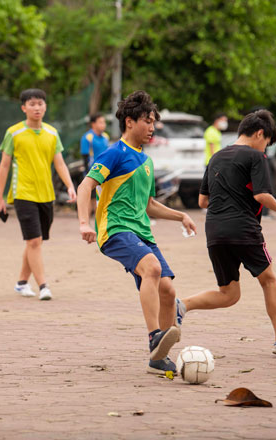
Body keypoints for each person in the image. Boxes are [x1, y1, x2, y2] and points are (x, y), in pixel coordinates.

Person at [77, 90, 198, 375]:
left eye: (154, 122)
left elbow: (149, 205)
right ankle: (154, 335)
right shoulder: (114, 153)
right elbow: (85, 186)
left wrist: (179, 215)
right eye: (147, 121)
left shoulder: (146, 161)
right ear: (130, 122)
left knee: (168, 291)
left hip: (142, 232)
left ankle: (159, 357)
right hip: (115, 229)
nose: (152, 127)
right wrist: (84, 223)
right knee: (152, 269)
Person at [176, 109, 276, 357]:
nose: (265, 149)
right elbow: (261, 195)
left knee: (229, 294)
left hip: (214, 230)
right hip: (243, 228)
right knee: (269, 280)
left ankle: (182, 305)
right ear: (259, 133)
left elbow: (203, 201)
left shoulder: (216, 157)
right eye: (266, 143)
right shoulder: (256, 157)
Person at [0, 88, 76, 301]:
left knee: (36, 242)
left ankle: (21, 283)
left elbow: (59, 162)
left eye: (40, 103)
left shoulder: (52, 133)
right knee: (34, 241)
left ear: (45, 106)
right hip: (23, 193)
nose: (37, 107)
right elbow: (4, 165)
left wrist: (70, 185)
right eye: (32, 104)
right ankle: (43, 286)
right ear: (23, 108)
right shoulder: (13, 133)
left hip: (46, 194)